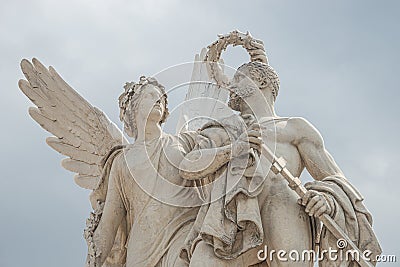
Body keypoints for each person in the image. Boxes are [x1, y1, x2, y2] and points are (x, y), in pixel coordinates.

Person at [179, 61, 381, 266]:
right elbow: (188, 166)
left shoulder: (294, 128)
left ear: (262, 81)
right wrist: (236, 148)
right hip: (229, 217)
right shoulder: (225, 128)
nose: (232, 85)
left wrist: (326, 199)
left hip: (284, 208)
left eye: (239, 78)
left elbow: (335, 178)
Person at [88, 76, 241, 267]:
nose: (158, 99)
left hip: (184, 233)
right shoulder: (122, 162)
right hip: (141, 248)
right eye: (150, 95)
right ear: (134, 107)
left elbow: (229, 137)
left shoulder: (185, 142)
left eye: (161, 97)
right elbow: (109, 222)